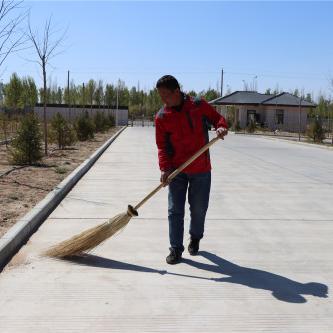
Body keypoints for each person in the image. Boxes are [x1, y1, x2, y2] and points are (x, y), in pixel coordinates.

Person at [154, 75, 228, 264]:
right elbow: (162, 146)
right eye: (160, 96)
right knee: (174, 210)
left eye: (165, 96)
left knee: (198, 208)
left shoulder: (197, 105)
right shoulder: (162, 117)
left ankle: (195, 237)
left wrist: (220, 127)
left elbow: (218, 118)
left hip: (201, 169)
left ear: (176, 92)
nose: (163, 100)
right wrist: (165, 169)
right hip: (176, 170)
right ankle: (175, 248)